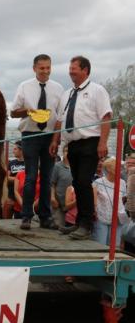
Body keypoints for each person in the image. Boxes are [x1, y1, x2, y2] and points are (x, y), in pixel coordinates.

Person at [49, 56, 113, 240]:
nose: (70, 71)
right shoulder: (67, 93)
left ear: (85, 70)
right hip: (72, 143)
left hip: (90, 142)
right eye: (70, 67)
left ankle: (86, 224)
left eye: (74, 68)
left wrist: (102, 143)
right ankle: (78, 223)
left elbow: (106, 117)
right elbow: (60, 120)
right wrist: (56, 141)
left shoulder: (97, 90)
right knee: (77, 182)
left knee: (84, 181)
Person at [11, 54, 64, 230]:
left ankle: (45, 217)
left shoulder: (58, 88)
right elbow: (13, 112)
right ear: (34, 68)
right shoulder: (24, 86)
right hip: (30, 134)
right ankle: (26, 216)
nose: (45, 71)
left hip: (49, 136)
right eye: (42, 68)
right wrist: (27, 111)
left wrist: (56, 139)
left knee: (47, 178)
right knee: (31, 176)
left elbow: (60, 117)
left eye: (48, 67)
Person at [92, 158, 128, 248]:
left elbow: (123, 199)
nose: (120, 170)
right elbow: (94, 200)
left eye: (121, 168)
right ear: (108, 169)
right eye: (117, 168)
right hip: (102, 216)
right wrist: (95, 210)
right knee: (100, 245)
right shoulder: (98, 182)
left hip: (117, 218)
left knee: (115, 246)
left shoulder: (122, 183)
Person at [50, 145, 73, 228]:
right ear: (63, 153)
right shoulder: (57, 166)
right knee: (58, 226)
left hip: (72, 205)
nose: (68, 153)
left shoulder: (77, 167)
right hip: (59, 203)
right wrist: (52, 198)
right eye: (66, 151)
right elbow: (52, 183)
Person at [3, 141, 25, 219]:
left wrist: (15, 179)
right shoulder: (11, 163)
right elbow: (7, 178)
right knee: (6, 217)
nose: (13, 151)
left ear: (21, 150)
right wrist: (19, 179)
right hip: (11, 196)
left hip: (23, 197)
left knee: (19, 219)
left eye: (15, 149)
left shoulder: (28, 163)